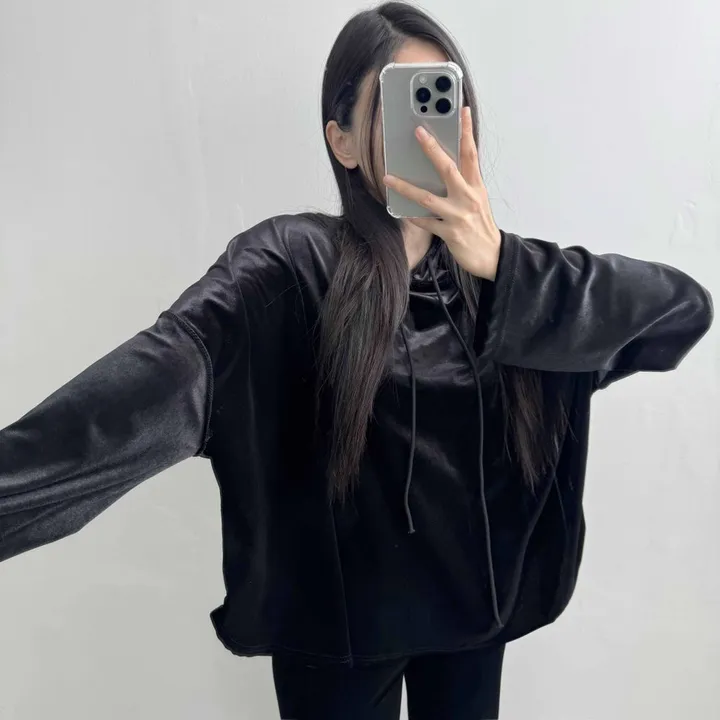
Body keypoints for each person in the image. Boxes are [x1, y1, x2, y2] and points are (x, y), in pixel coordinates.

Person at [0, 2, 714, 718]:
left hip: (472, 623)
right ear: (341, 141)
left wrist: (501, 263)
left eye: (442, 99)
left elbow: (682, 311)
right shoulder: (291, 268)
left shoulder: (509, 286)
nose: (427, 129)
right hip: (334, 636)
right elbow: (131, 403)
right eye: (402, 104)